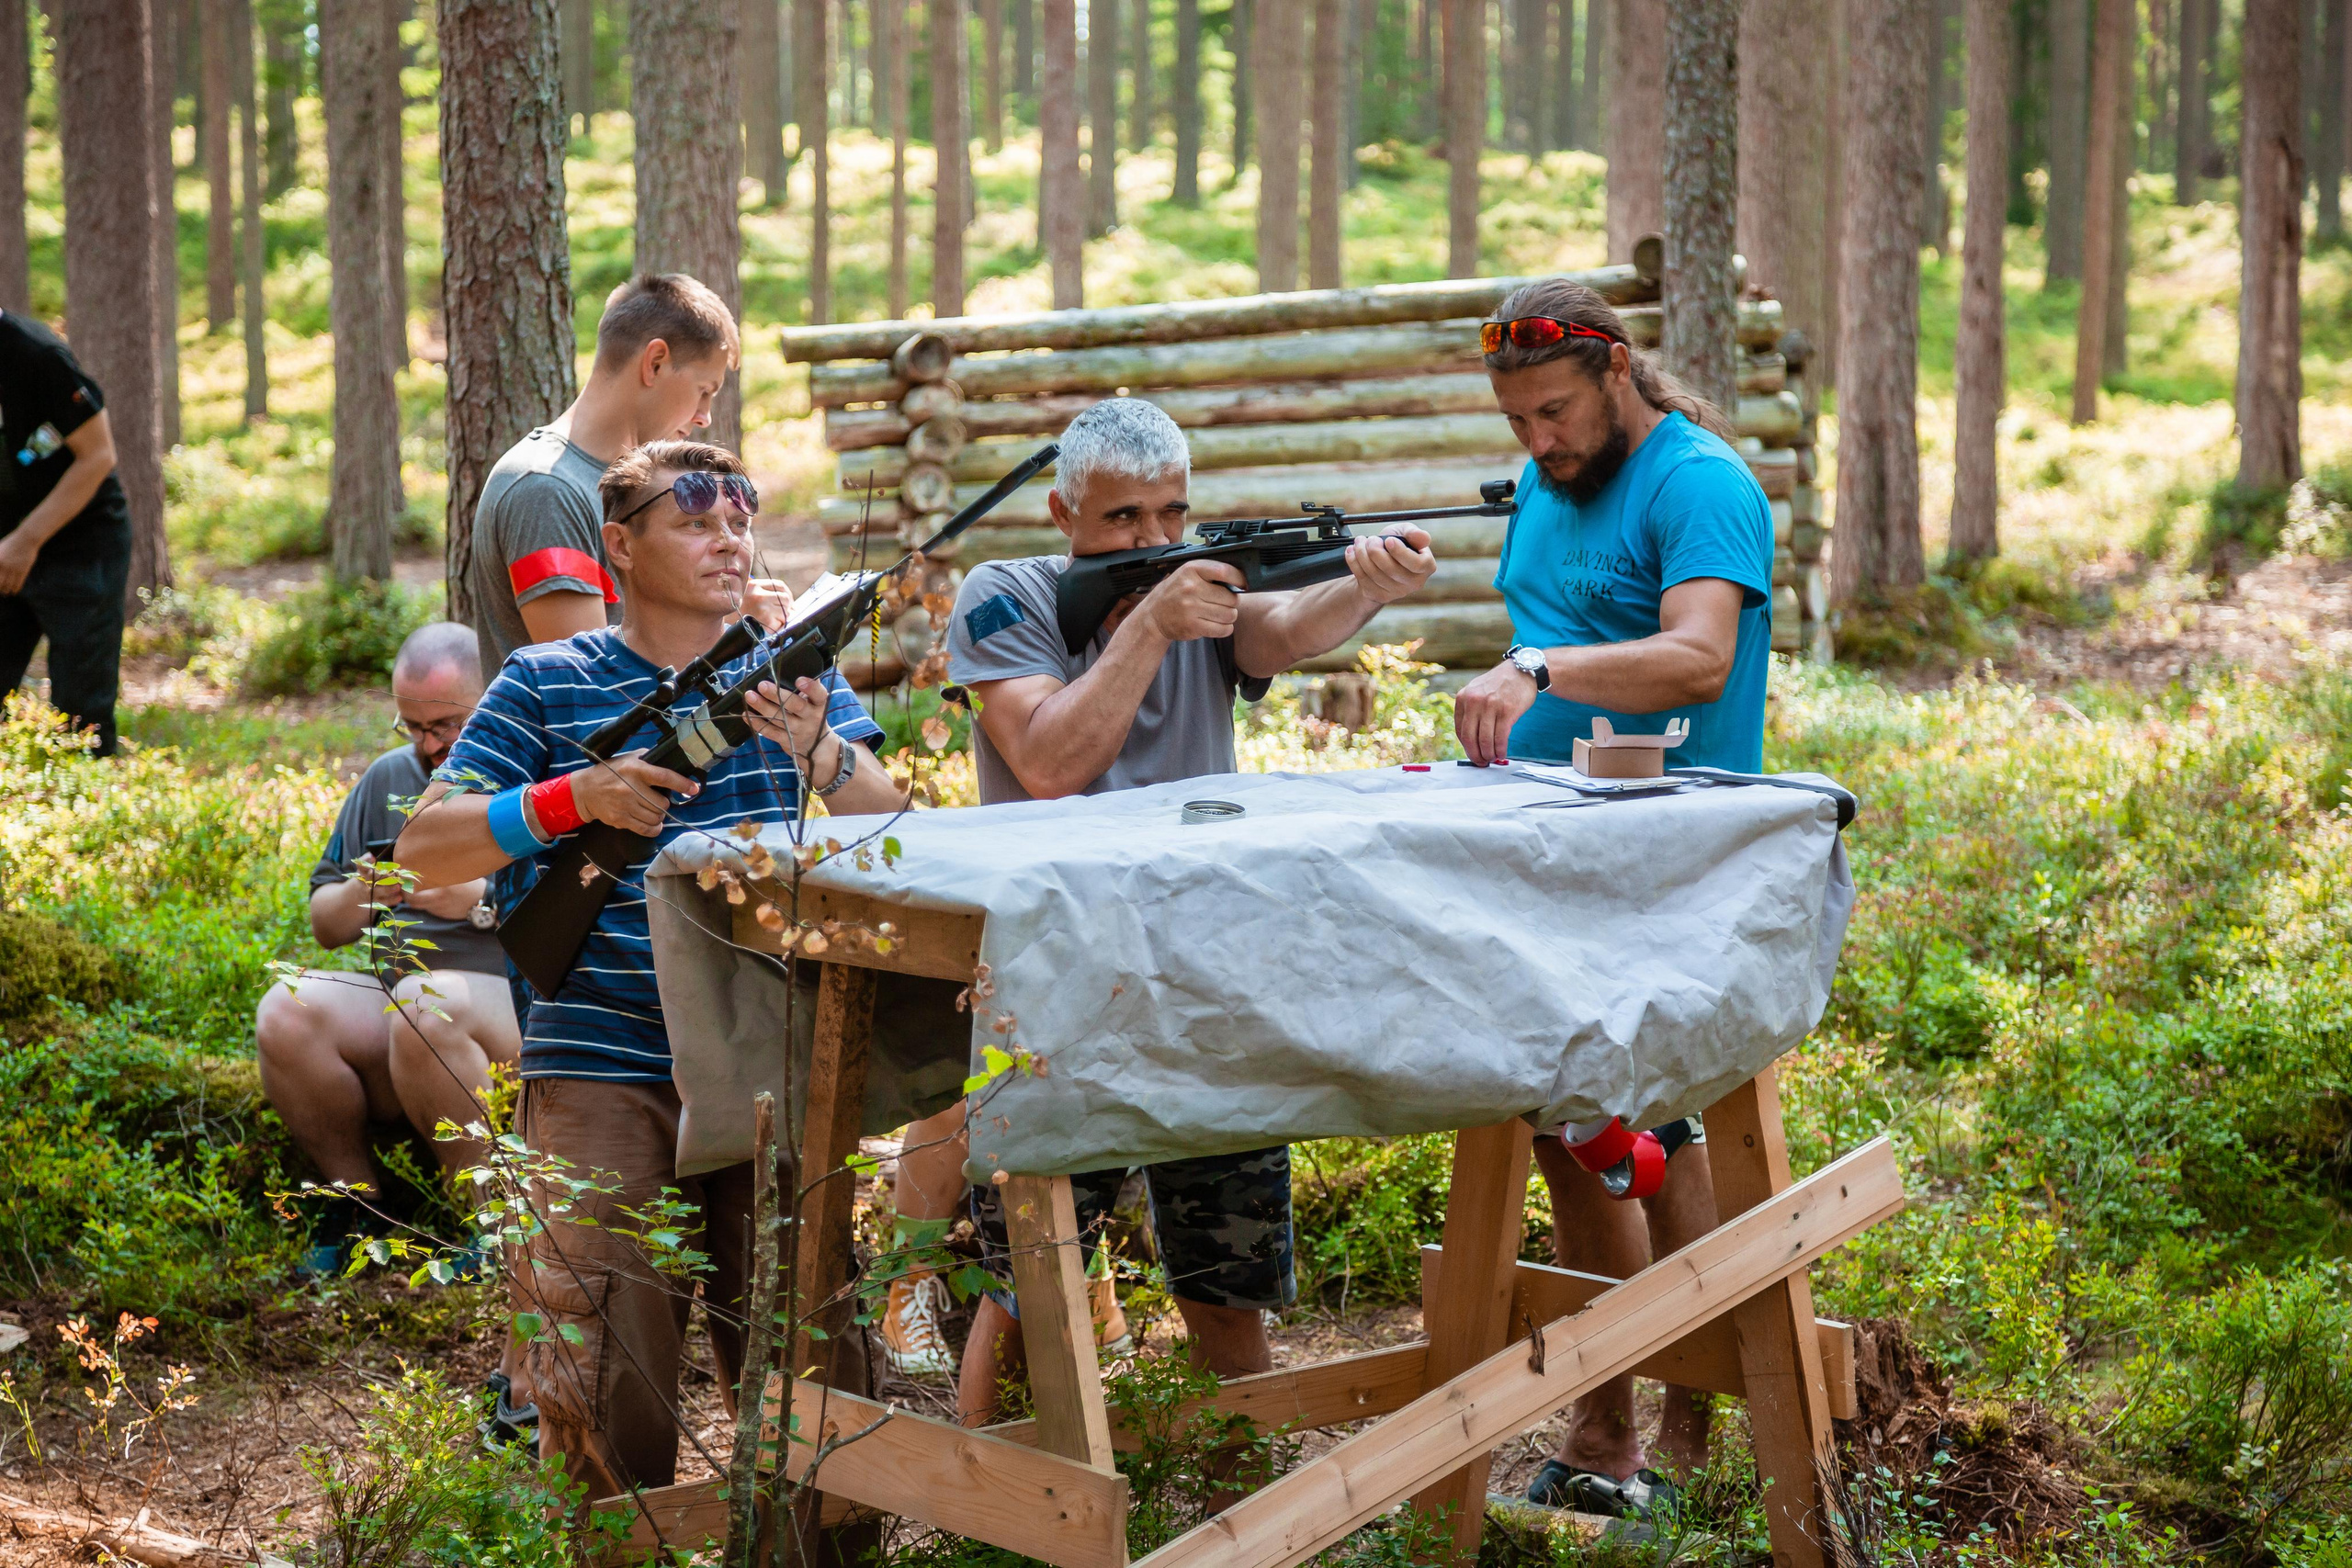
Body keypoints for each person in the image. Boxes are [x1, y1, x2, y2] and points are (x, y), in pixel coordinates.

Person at [398, 440, 901, 1500]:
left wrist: (822, 750)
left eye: (742, 517)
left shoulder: (794, 669)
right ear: (618, 546)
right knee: (600, 1369)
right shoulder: (545, 679)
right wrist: (576, 799)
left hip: (766, 1051)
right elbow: (426, 849)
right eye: (697, 520)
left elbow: (900, 829)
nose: (730, 539)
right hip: (598, 1058)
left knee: (810, 1353)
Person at [942, 398, 1438, 1433]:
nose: (1154, 542)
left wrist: (1364, 586)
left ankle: (1237, 1494)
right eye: (1124, 520)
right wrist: (1150, 629)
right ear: (1063, 511)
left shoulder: (1199, 595)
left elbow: (1284, 629)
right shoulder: (1006, 596)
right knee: (1028, 1276)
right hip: (1055, 979)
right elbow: (1046, 763)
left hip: (1205, 968)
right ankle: (985, 1501)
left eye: (1172, 516)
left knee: (1230, 1268)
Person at [1454, 276, 1776, 1523]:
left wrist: (1539, 664)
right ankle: (1610, 1423)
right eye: (1519, 421)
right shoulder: (1551, 480)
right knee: (1568, 1119)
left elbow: (1698, 653)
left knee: (1656, 1123)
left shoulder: (1699, 485)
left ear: (1618, 370)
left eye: (1554, 412)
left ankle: (1672, 1430)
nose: (1539, 442)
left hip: (1669, 852)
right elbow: (1546, 613)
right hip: (1548, 844)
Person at [253, 622, 518, 1277]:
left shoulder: (530, 772)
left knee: (421, 1005)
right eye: (412, 728)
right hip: (405, 1000)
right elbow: (325, 921)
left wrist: (478, 901)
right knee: (286, 1009)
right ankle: (356, 1205)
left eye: (444, 726)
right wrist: (367, 893)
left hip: (515, 1003)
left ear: (489, 701)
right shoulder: (389, 779)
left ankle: (491, 1227)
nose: (429, 748)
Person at [465, 272, 787, 672]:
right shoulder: (546, 491)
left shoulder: (627, 485)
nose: (705, 417)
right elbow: (588, 682)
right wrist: (730, 623)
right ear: (654, 363)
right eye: (704, 390)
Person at [0, 309, 131, 756]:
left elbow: (99, 455)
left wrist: (27, 540)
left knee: (81, 717)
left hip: (80, 548)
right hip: (5, 549)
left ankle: (87, 813)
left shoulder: (38, 356)